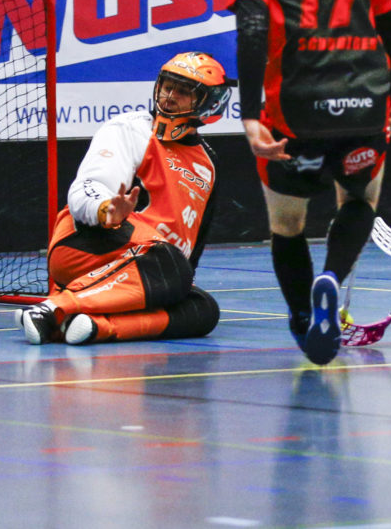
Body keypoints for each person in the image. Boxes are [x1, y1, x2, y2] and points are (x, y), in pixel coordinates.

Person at [228, 0, 391, 365]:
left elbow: (253, 30)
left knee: (287, 226)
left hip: (295, 116)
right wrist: (385, 99)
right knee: (358, 201)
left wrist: (249, 116)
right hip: (363, 111)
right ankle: (331, 277)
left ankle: (306, 320)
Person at [17, 52, 233, 345]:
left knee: (203, 309)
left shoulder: (209, 163)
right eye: (167, 86)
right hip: (89, 241)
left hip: (151, 268)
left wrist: (174, 285)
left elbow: (193, 243)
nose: (169, 96)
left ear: (210, 103)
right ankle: (52, 309)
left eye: (184, 92)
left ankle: (93, 325)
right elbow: (86, 187)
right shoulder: (130, 129)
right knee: (168, 262)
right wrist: (106, 209)